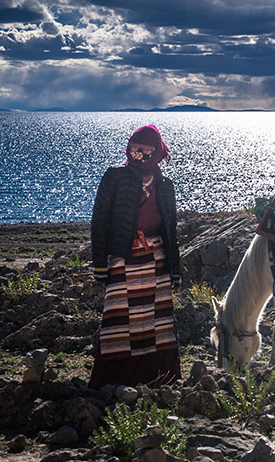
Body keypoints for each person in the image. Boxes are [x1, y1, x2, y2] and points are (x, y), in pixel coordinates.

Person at [88, 125, 182, 389]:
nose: (139, 154)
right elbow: (100, 221)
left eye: (145, 150)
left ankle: (161, 378)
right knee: (118, 321)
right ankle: (113, 380)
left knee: (158, 322)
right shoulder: (114, 177)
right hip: (123, 257)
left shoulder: (165, 186)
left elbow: (170, 229)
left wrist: (175, 270)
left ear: (157, 153)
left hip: (157, 260)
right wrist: (100, 266)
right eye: (134, 149)